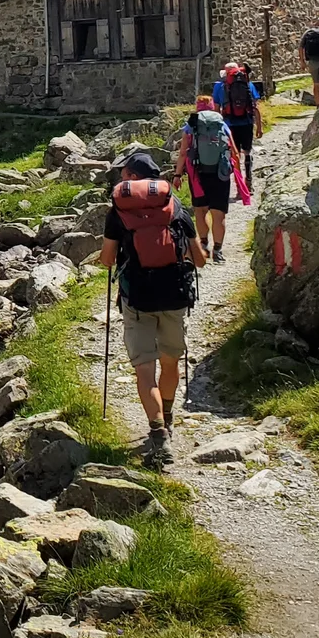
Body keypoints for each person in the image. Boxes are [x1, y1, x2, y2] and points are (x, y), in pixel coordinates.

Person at [100, 150, 209, 459]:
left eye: (124, 174)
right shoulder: (175, 207)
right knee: (171, 362)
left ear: (133, 178)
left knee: (144, 373)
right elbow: (199, 260)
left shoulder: (118, 212)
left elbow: (107, 260)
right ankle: (170, 416)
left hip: (137, 300)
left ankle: (159, 434)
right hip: (174, 296)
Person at [173, 95, 238, 263]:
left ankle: (203, 246)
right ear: (212, 107)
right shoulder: (221, 124)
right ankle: (218, 250)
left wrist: (177, 175)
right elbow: (234, 152)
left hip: (197, 174)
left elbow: (182, 153)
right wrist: (237, 176)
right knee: (219, 215)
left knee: (200, 212)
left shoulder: (190, 126)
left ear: (197, 107)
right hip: (220, 174)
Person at [211, 62, 261, 189]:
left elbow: (216, 109)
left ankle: (239, 186)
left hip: (229, 125)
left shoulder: (219, 87)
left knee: (235, 155)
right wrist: (259, 127)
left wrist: (217, 128)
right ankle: (248, 181)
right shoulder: (248, 84)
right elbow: (255, 107)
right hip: (247, 122)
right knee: (247, 152)